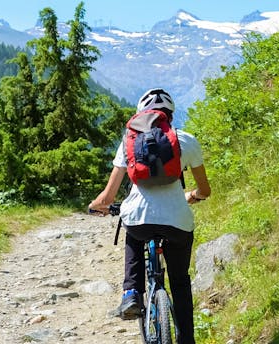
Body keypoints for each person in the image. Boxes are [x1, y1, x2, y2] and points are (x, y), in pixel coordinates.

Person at [88, 88, 210, 344]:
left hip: (139, 219)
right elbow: (205, 190)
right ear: (170, 117)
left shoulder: (129, 142)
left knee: (133, 233)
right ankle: (187, 339)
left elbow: (108, 198)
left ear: (141, 116)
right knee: (179, 282)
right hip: (177, 221)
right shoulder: (186, 140)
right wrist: (192, 196)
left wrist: (96, 205)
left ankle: (131, 293)